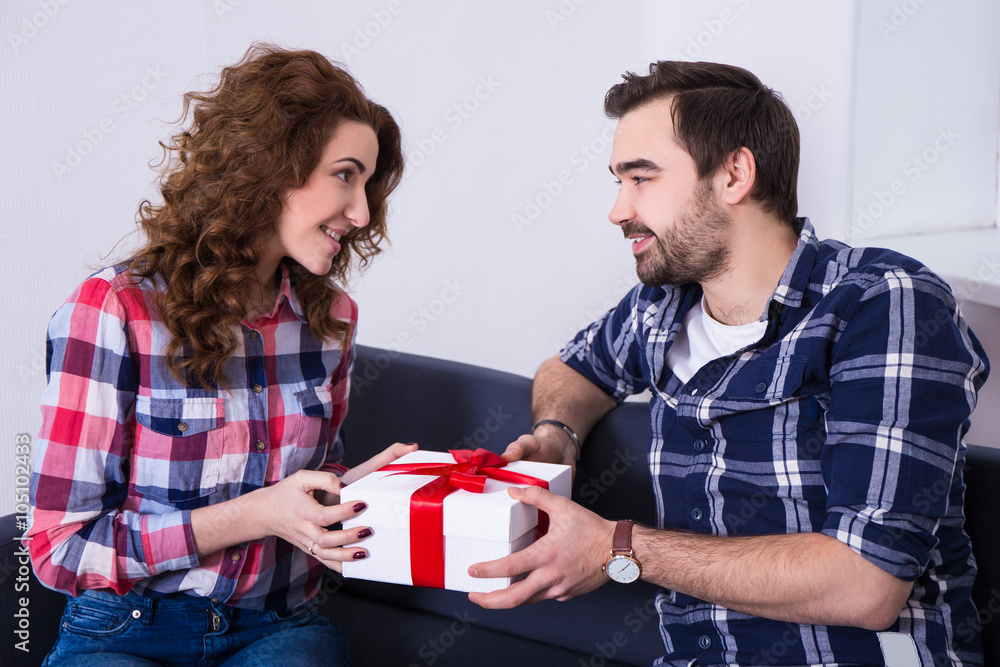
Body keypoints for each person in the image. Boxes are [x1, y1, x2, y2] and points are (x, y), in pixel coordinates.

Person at [469, 61, 989, 666]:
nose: (617, 211)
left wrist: (619, 547)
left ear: (734, 175)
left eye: (641, 179)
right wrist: (556, 435)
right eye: (618, 182)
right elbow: (572, 371)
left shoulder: (883, 303)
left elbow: (866, 583)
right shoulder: (659, 307)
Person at [28, 44, 414, 666]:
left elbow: (303, 502)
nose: (362, 212)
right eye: (346, 174)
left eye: (369, 183)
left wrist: (366, 493)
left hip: (278, 627)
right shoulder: (114, 310)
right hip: (125, 625)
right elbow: (58, 547)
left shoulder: (331, 321)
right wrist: (257, 513)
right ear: (267, 166)